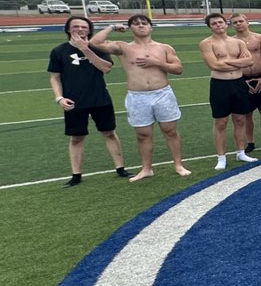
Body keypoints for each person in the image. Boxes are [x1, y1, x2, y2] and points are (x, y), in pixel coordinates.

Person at [90, 15, 191, 181]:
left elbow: (178, 69)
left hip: (162, 94)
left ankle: (178, 165)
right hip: (137, 97)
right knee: (143, 135)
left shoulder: (164, 48)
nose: (141, 26)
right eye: (136, 24)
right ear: (130, 28)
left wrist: (157, 63)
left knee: (170, 131)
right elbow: (95, 43)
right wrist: (112, 27)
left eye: (144, 23)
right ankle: (146, 169)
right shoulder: (123, 47)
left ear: (151, 27)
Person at [48, 15, 127, 186]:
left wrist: (86, 49)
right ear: (68, 29)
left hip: (100, 98)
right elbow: (55, 77)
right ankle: (76, 175)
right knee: (76, 137)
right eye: (76, 26)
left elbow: (106, 68)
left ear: (89, 30)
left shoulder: (97, 47)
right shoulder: (58, 51)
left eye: (84, 27)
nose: (80, 29)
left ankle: (120, 168)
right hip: (74, 101)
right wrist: (59, 98)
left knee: (109, 133)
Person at [198, 13, 256, 170]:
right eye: (214, 23)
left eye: (220, 22)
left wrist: (227, 61)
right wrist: (238, 62)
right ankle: (221, 157)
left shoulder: (238, 42)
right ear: (210, 27)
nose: (218, 25)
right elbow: (214, 65)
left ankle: (240, 152)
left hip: (238, 83)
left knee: (240, 119)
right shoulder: (206, 43)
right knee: (221, 122)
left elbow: (249, 61)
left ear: (226, 24)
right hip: (220, 85)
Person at [231, 12, 261, 153]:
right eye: (235, 22)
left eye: (240, 21)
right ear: (232, 26)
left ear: (247, 22)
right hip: (243, 80)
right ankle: (250, 142)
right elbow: (233, 63)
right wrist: (243, 82)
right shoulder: (231, 42)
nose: (238, 24)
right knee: (246, 114)